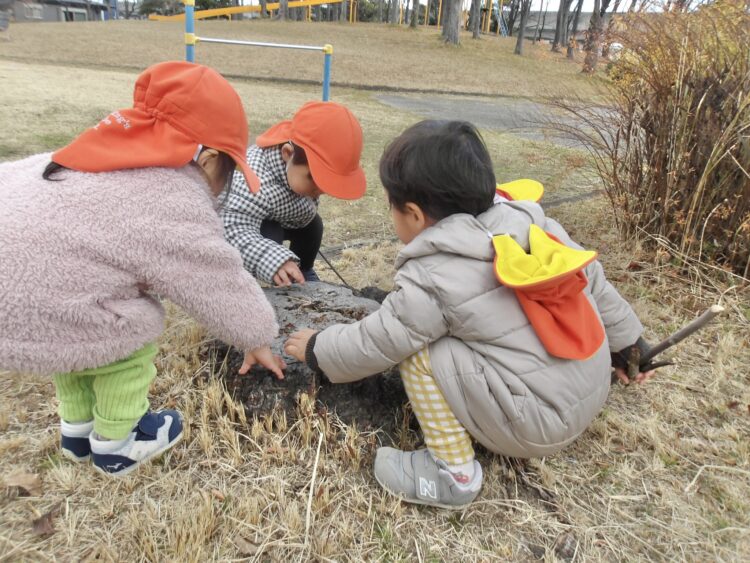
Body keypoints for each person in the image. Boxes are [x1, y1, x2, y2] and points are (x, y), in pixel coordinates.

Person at [284, 120, 654, 509]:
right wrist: (631, 346)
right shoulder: (532, 223)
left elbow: (380, 339)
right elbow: (592, 279)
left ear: (414, 214)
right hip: (588, 390)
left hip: (537, 424)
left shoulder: (436, 273)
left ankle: (453, 475)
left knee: (421, 350)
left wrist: (318, 349)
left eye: (391, 205)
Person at [0, 61, 285, 477]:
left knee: (74, 323)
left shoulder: (79, 156)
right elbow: (216, 281)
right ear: (208, 160)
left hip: (18, 305)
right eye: (228, 173)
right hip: (45, 302)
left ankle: (77, 431)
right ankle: (118, 442)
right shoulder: (171, 195)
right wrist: (256, 336)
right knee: (129, 326)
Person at [221, 101, 366, 287]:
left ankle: (304, 269)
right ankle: (280, 277)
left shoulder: (295, 172)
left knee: (314, 226)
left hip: (286, 212)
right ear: (287, 153)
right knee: (270, 232)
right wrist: (272, 258)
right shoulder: (254, 183)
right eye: (315, 179)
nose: (321, 190)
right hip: (249, 225)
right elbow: (232, 229)